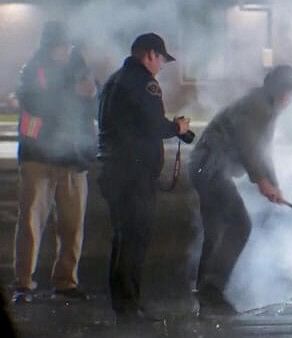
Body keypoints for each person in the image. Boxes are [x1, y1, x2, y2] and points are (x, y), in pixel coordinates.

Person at [189, 64, 292, 313]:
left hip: (206, 167)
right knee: (240, 225)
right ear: (280, 90)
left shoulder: (265, 107)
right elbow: (248, 144)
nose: (291, 99)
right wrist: (261, 180)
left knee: (216, 230)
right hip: (211, 168)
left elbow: (263, 153)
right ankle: (212, 289)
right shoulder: (257, 107)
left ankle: (205, 292)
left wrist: (274, 185)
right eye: (290, 93)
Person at [97, 32, 191, 325]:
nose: (162, 65)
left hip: (114, 171)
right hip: (133, 176)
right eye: (161, 59)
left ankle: (122, 305)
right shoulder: (144, 83)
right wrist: (177, 127)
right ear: (150, 54)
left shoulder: (115, 80)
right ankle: (129, 308)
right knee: (135, 240)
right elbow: (152, 125)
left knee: (122, 239)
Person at [13, 21, 97, 303]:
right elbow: (35, 102)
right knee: (31, 223)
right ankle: (23, 283)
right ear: (50, 45)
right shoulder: (33, 69)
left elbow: (90, 102)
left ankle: (66, 281)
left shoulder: (79, 67)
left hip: (72, 158)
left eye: (68, 45)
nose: (66, 50)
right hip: (38, 157)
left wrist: (89, 94)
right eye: (62, 45)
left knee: (72, 226)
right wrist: (74, 94)